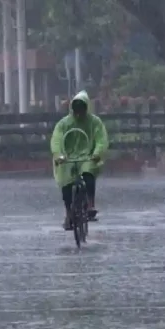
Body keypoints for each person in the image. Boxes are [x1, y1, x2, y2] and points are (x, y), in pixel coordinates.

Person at [50, 90, 109, 231]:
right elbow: (56, 139)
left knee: (88, 173)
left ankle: (90, 204)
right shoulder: (64, 124)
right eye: (76, 110)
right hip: (67, 157)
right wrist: (58, 154)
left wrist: (97, 153)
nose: (78, 113)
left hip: (87, 156)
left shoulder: (94, 122)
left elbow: (101, 139)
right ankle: (69, 213)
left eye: (81, 109)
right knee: (66, 183)